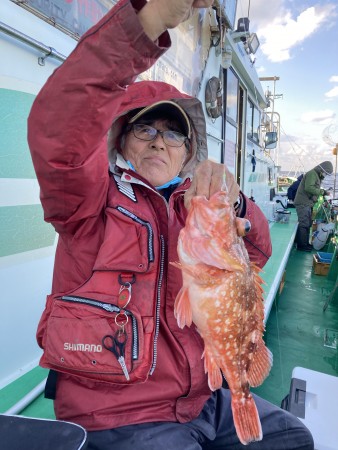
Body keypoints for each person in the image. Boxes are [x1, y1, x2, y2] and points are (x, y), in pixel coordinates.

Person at [27, 1, 314, 449]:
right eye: (145, 129)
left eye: (174, 133)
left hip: (203, 399)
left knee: (295, 438)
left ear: (187, 153)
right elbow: (59, 133)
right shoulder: (88, 201)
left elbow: (254, 253)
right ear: (121, 142)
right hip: (119, 414)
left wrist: (234, 198)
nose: (160, 140)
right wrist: (146, 25)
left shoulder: (197, 210)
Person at [294, 161, 333, 251]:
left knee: (307, 224)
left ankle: (305, 243)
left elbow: (314, 188)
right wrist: (322, 192)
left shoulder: (316, 175)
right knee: (304, 224)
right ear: (322, 170)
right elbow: (309, 188)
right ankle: (301, 246)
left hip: (307, 203)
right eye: (325, 173)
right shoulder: (312, 174)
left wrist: (323, 192)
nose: (325, 175)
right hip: (303, 203)